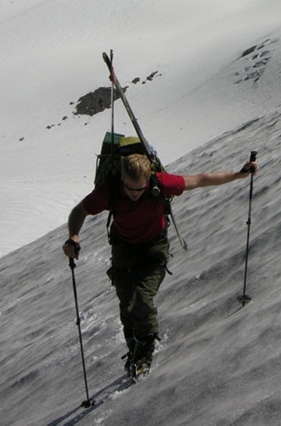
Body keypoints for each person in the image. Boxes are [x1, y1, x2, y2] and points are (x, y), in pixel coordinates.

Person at [62, 140, 258, 377]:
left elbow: (202, 179)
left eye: (139, 189)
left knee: (142, 298)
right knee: (126, 303)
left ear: (148, 180)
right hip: (123, 248)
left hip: (154, 246)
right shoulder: (110, 191)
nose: (134, 194)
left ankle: (145, 349)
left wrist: (239, 175)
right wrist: (73, 236)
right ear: (122, 179)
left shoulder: (160, 184)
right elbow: (79, 211)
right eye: (129, 188)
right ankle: (133, 347)